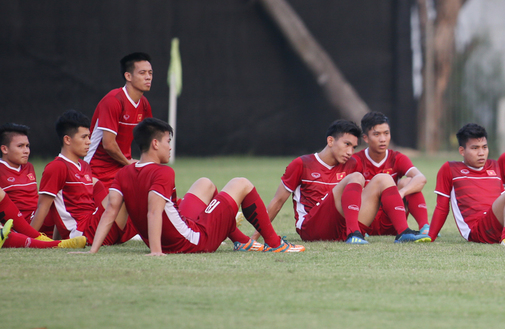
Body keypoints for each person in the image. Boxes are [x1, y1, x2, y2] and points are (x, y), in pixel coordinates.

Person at [88, 118, 303, 255]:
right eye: (167, 142)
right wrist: (156, 252)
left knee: (205, 183)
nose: (170, 147)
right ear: (155, 144)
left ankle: (240, 240)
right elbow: (154, 212)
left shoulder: (124, 172)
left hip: (176, 232)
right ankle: (275, 244)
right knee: (241, 183)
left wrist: (93, 251)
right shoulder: (163, 172)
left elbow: (110, 211)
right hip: (192, 241)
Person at [265, 119, 430, 245]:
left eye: (354, 147)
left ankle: (403, 232)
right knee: (357, 177)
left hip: (341, 227)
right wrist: (258, 236)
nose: (350, 152)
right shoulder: (301, 164)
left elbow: (364, 198)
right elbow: (278, 201)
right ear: (330, 141)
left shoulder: (352, 164)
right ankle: (354, 234)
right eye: (347, 145)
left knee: (384, 178)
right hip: (312, 228)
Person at [31, 110, 136, 246]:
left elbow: (62, 209)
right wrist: (28, 240)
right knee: (126, 184)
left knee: (145, 192)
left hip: (95, 226)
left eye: (89, 137)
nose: (89, 142)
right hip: (82, 233)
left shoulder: (84, 165)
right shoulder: (57, 167)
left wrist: (58, 240)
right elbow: (43, 207)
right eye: (84, 137)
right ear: (67, 139)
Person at [0, 123, 86, 249]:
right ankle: (49, 241)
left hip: (37, 217)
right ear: (4, 149)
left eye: (27, 146)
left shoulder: (28, 167)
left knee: (66, 201)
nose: (26, 151)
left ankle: (78, 234)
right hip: (18, 222)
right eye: (20, 146)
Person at [354, 111, 430, 236]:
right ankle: (358, 229)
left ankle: (425, 227)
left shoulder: (397, 158)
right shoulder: (356, 160)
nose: (382, 139)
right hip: (366, 223)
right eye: (377, 134)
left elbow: (421, 178)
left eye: (386, 133)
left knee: (408, 181)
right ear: (366, 138)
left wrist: (401, 193)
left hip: (392, 222)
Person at [86, 52, 154, 187]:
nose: (148, 77)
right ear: (128, 76)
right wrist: (129, 163)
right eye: (142, 73)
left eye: (150, 73)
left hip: (122, 169)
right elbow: (109, 144)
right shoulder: (113, 101)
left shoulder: (144, 103)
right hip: (97, 171)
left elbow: (150, 138)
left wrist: (147, 164)